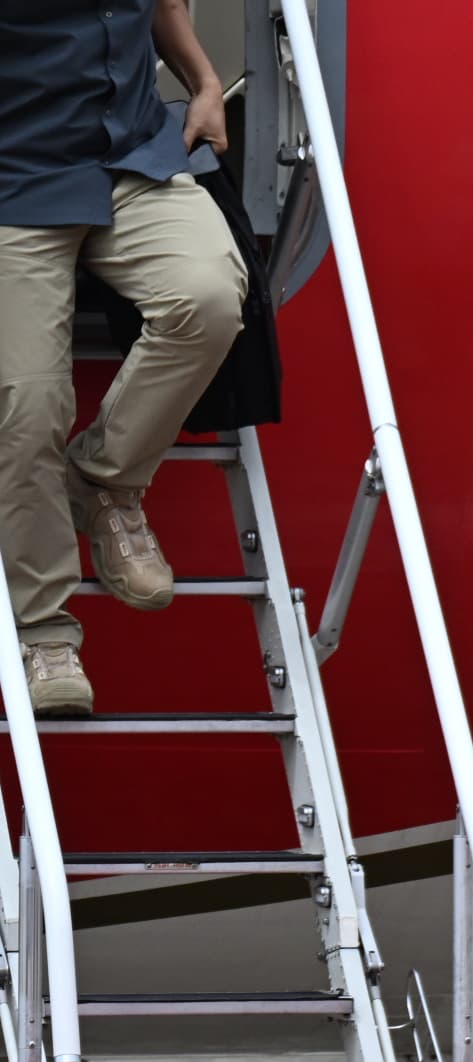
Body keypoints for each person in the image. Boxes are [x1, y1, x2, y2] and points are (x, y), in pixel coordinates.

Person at [2, 0, 246, 714]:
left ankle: (104, 481)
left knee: (207, 300)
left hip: (132, 154)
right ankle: (45, 633)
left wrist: (202, 84)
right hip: (16, 176)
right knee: (27, 405)